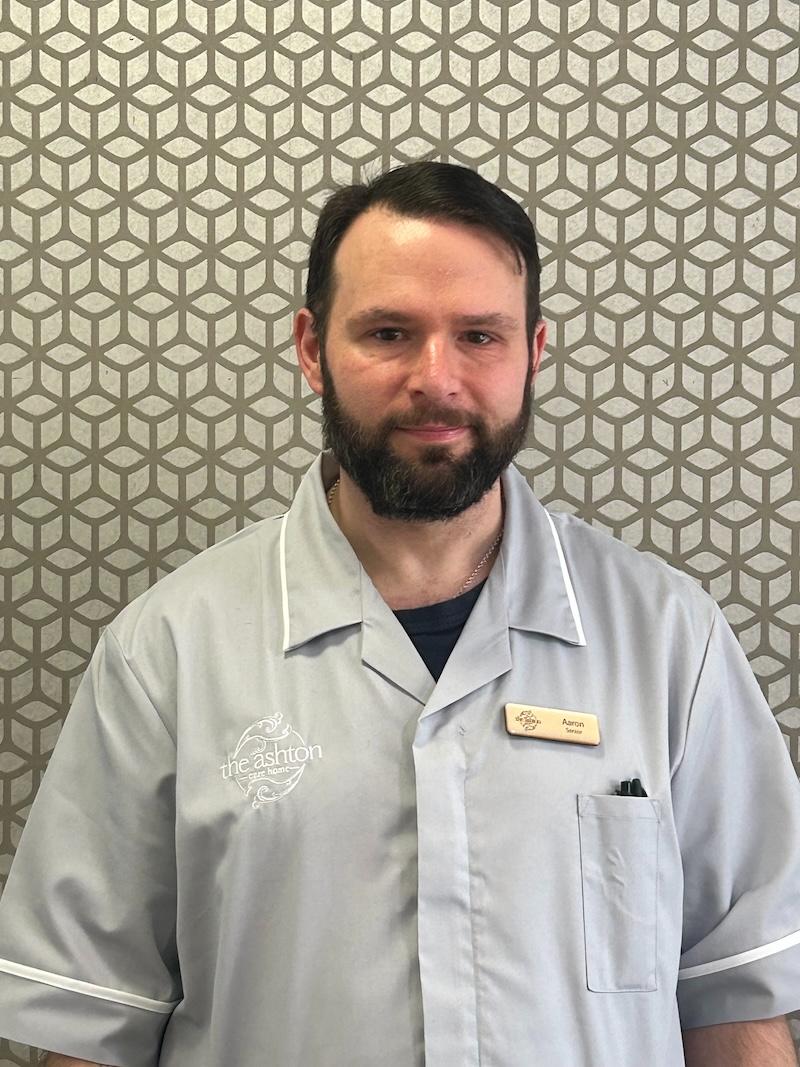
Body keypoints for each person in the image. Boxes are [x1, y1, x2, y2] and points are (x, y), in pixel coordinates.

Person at [0, 161, 798, 1067]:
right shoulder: (167, 653)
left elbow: (737, 1003)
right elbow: (96, 1026)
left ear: (534, 351)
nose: (437, 379)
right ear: (312, 347)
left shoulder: (668, 640)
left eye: (479, 337)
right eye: (388, 331)